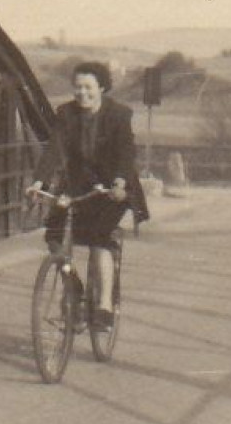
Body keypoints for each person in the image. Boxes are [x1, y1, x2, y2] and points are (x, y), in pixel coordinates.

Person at [25, 61, 149, 332]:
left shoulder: (118, 115)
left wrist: (119, 182)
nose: (82, 93)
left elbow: (125, 152)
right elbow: (54, 149)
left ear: (101, 87)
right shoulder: (66, 114)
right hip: (79, 186)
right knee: (54, 236)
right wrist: (38, 181)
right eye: (77, 87)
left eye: (88, 87)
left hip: (111, 188)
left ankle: (104, 307)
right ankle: (74, 287)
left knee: (99, 239)